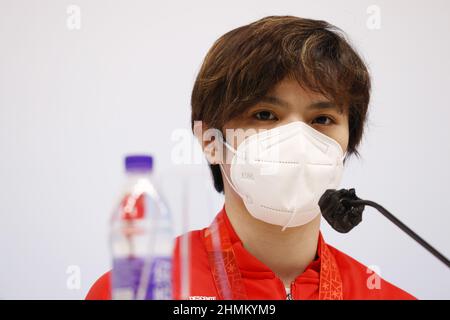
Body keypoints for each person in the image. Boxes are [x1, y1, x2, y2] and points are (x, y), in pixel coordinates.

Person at [86, 15, 416, 300]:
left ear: (347, 142)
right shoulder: (138, 290)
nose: (298, 140)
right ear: (210, 140)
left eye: (322, 119)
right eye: (265, 115)